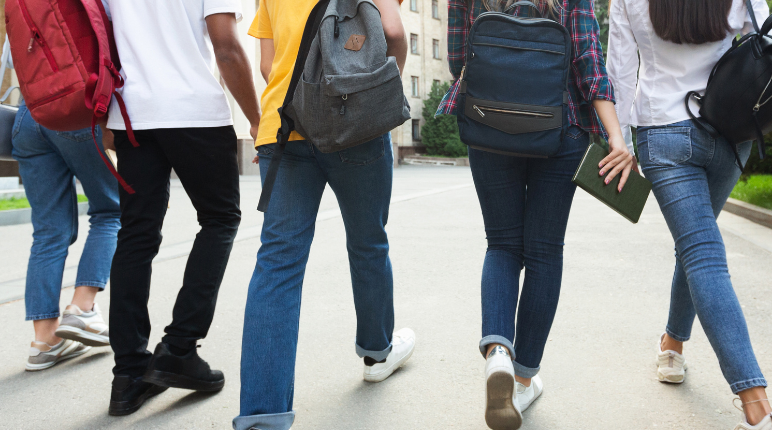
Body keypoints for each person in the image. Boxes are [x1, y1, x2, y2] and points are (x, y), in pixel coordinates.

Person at [440, 0, 630, 428]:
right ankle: (524, 379)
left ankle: (498, 353)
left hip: (488, 125)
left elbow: (458, 60)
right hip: (559, 128)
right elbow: (587, 62)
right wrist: (616, 136)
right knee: (544, 253)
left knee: (502, 244)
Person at [233, 0, 412, 429]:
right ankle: (376, 352)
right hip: (356, 125)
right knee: (368, 242)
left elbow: (268, 63)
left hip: (284, 123)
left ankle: (263, 415)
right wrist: (378, 93)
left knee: (277, 263)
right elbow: (393, 33)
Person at [607, 0, 772, 428]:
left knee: (699, 252)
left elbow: (619, 68)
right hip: (728, 127)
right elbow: (765, 32)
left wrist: (621, 144)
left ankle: (684, 352)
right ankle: (740, 391)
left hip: (662, 131)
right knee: (700, 250)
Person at [103, 0, 261, 417]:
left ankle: (128, 376)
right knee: (220, 219)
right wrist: (256, 119)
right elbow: (226, 46)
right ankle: (179, 347)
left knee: (135, 235)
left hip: (132, 116)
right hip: (195, 113)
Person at [6, 37, 120, 372]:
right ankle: (82, 308)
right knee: (111, 210)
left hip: (28, 116)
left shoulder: (24, 6)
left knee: (48, 231)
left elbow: (12, 61)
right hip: (76, 109)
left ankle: (44, 341)